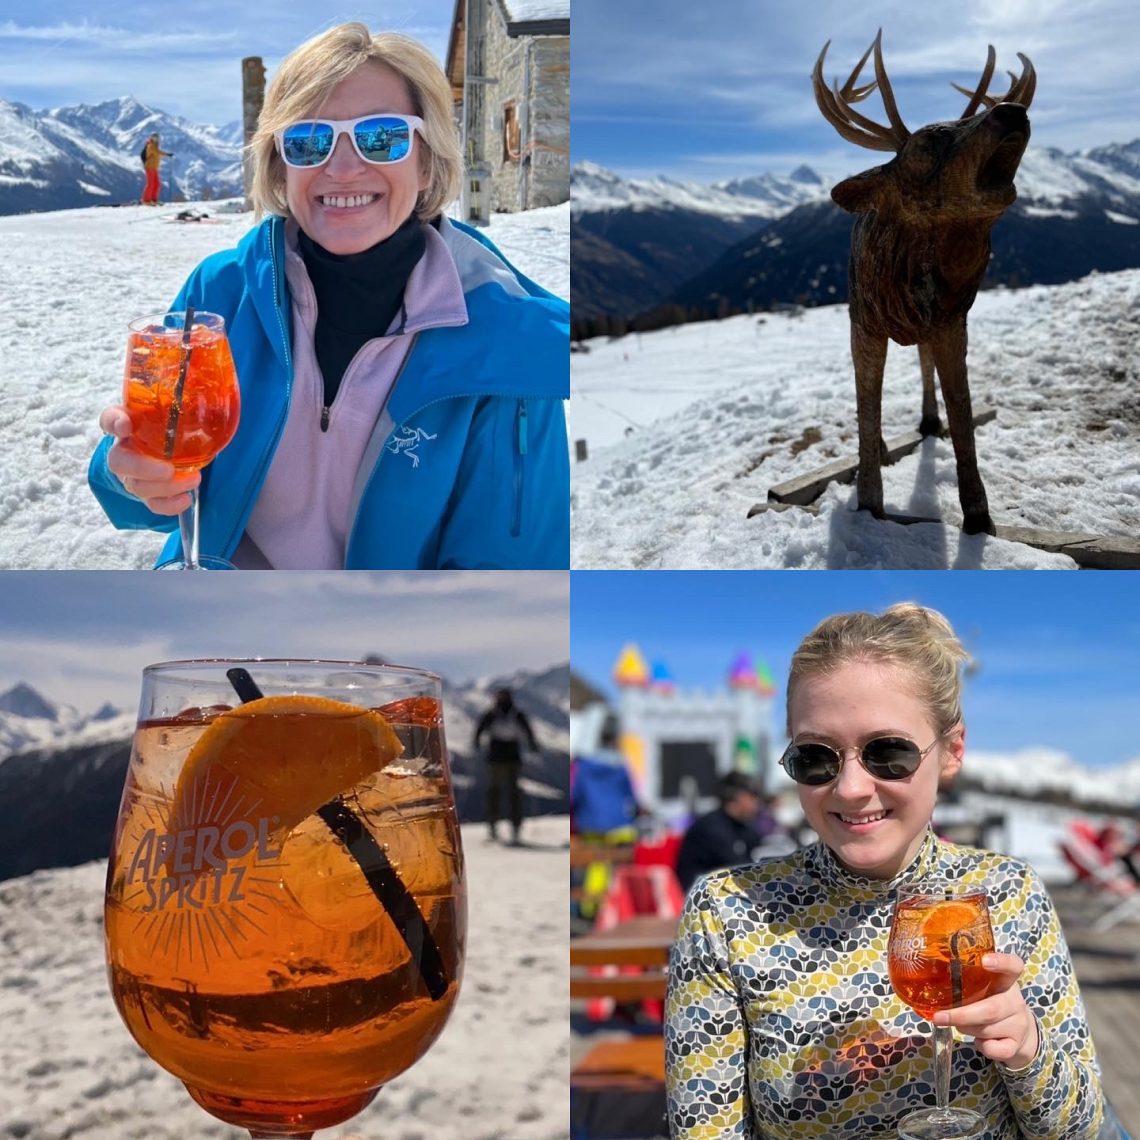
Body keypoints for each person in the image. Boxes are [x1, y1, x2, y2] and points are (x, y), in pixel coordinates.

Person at [90, 22, 569, 569]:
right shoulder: (221, 293)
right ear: (280, 164)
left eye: (382, 136)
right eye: (309, 139)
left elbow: (507, 590)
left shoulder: (512, 349)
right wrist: (129, 471)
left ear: (427, 158)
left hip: (383, 647)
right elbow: (146, 493)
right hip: (222, 626)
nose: (342, 168)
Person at [666, 603, 1119, 1139]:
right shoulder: (729, 911)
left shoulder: (1005, 893)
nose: (851, 788)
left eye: (888, 753)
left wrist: (1028, 1051)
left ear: (951, 751)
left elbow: (1083, 1132)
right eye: (816, 757)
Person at [674, 770, 767, 892]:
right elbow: (742, 869)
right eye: (753, 796)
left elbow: (759, 851)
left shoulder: (741, 827)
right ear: (738, 796)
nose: (757, 803)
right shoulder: (711, 829)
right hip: (700, 899)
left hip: (721, 893)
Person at [474, 687, 538, 845]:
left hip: (502, 756)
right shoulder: (511, 714)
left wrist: (476, 742)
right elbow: (527, 731)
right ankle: (498, 825)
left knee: (504, 792)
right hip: (505, 756)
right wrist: (532, 745)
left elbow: (479, 730)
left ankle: (506, 826)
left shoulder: (497, 714)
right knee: (502, 792)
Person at [571, 718, 641, 843]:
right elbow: (632, 797)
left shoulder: (583, 766)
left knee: (594, 859)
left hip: (590, 827)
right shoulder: (622, 767)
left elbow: (574, 796)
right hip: (621, 827)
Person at [140, 133, 173, 205]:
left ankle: (153, 199)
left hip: (154, 168)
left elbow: (157, 153)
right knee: (150, 184)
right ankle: (146, 200)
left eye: (158, 138)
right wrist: (167, 154)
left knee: (157, 184)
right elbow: (158, 152)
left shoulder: (155, 146)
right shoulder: (151, 146)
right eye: (156, 138)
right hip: (149, 167)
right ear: (152, 138)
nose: (157, 139)